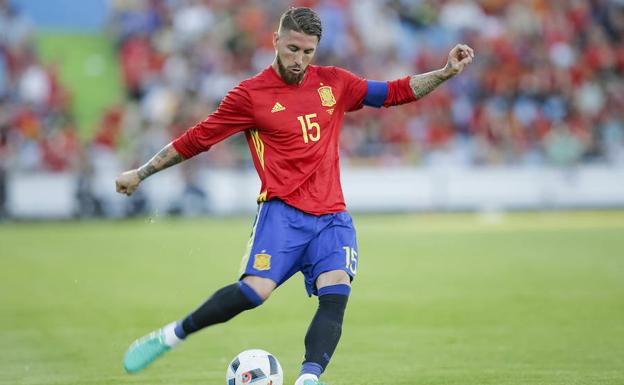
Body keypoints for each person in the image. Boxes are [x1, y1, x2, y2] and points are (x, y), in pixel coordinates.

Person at [115, 7, 474, 385]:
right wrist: (141, 173)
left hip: (332, 217)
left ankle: (308, 378)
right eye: (292, 49)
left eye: (308, 51)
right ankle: (172, 335)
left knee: (336, 291)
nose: (300, 59)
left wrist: (445, 72)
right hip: (282, 214)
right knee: (254, 293)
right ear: (276, 40)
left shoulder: (334, 82)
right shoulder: (250, 96)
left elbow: (394, 92)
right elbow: (197, 140)